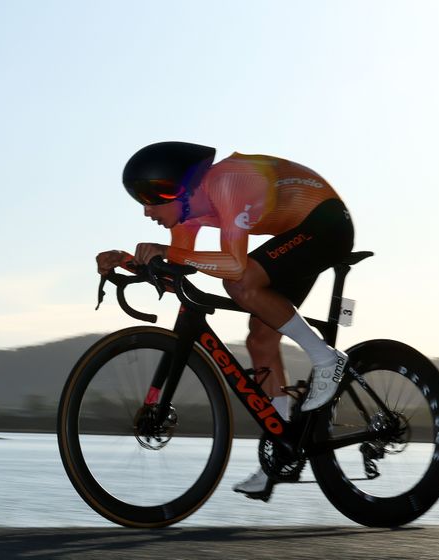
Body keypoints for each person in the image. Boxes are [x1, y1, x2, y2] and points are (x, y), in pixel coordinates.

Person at [96, 141, 354, 501]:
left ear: (179, 188)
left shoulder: (228, 181)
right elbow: (180, 269)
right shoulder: (189, 214)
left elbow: (232, 265)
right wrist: (129, 261)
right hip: (293, 237)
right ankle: (282, 448)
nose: (146, 211)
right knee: (260, 339)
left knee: (240, 281)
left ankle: (327, 358)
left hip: (326, 223)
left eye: (151, 199)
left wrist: (167, 253)